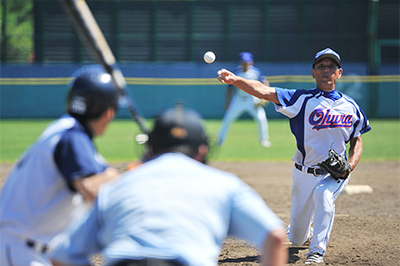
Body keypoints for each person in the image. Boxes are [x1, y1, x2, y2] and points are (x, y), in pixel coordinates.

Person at [49, 105, 288, 266]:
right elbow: (276, 236)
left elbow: (61, 255)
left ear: (149, 149)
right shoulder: (225, 184)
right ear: (202, 150)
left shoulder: (116, 187)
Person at [217, 48, 371, 264]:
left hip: (334, 174)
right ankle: (306, 238)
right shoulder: (301, 99)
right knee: (297, 237)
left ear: (339, 73)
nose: (326, 70)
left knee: (323, 195)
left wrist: (349, 167)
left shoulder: (351, 107)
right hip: (302, 173)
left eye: (331, 67)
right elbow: (263, 90)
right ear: (313, 73)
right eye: (321, 66)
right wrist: (235, 80)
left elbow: (357, 140)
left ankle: (316, 253)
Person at [0, 65, 120, 265]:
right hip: (22, 250)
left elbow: (100, 174)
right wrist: (127, 173)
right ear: (109, 113)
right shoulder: (73, 137)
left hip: (30, 248)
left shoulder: (66, 132)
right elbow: (91, 189)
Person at [217, 52, 271, 148]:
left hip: (252, 99)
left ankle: (264, 140)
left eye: (247, 62)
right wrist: (228, 102)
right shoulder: (236, 72)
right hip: (238, 100)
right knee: (227, 119)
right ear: (240, 62)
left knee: (261, 118)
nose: (245, 64)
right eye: (243, 62)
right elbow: (229, 88)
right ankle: (220, 140)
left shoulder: (256, 72)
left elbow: (265, 82)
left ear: (251, 62)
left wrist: (263, 98)